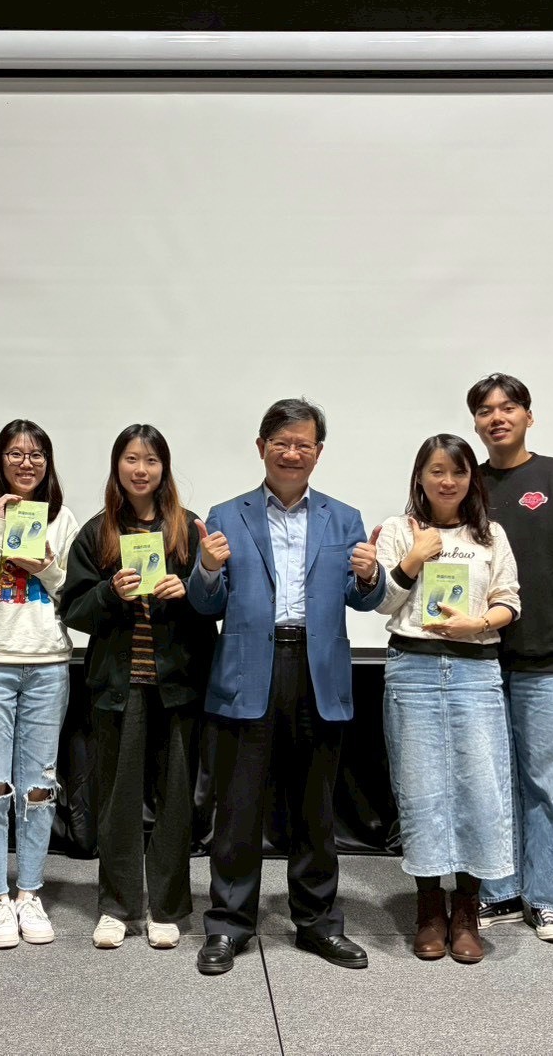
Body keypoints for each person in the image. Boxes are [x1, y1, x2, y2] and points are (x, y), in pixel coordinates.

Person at [188, 398, 386, 976]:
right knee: (238, 808)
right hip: (247, 669)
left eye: (303, 444)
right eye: (281, 443)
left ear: (318, 452)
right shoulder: (227, 515)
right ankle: (228, 924)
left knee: (315, 810)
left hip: (318, 670)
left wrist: (370, 575)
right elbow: (206, 604)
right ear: (261, 448)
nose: (292, 453)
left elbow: (362, 598)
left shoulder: (343, 517)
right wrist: (206, 568)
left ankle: (319, 923)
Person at [60, 425, 217, 950]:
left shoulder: (188, 529)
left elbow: (216, 603)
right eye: (131, 459)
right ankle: (118, 906)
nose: (141, 469)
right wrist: (110, 593)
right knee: (118, 797)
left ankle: (168, 907)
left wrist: (188, 590)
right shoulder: (97, 531)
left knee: (175, 799)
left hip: (178, 686)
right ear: (117, 466)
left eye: (151, 460)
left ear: (164, 468)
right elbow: (73, 609)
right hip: (118, 686)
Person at [466, 374, 553, 945]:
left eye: (508, 407)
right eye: (485, 410)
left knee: (548, 782)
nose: (497, 417)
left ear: (529, 415)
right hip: (479, 658)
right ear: (475, 422)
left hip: (551, 660)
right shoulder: (469, 483)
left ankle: (550, 899)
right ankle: (500, 890)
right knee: (491, 781)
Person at [373, 434, 522, 963]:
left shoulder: (490, 534)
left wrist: (476, 624)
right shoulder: (398, 530)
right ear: (420, 476)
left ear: (470, 479)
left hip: (475, 670)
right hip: (412, 668)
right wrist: (414, 558)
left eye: (458, 472)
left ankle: (467, 912)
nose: (447, 481)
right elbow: (381, 602)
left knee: (480, 789)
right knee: (421, 792)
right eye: (436, 471)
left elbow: (509, 601)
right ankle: (429, 909)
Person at [0, 420, 81, 949]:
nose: (26, 463)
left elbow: (74, 592)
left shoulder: (62, 518)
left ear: (48, 463)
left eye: (36, 455)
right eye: (15, 454)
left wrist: (44, 564)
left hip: (48, 662)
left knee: (39, 787)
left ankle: (29, 891)